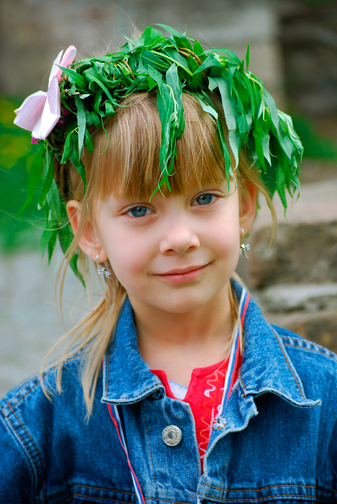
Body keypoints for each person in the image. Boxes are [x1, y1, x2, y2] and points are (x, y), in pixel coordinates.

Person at [1, 24, 336, 503]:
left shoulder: (324, 400)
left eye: (204, 198)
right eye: (139, 210)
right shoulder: (42, 424)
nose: (180, 238)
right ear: (90, 232)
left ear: (242, 207)